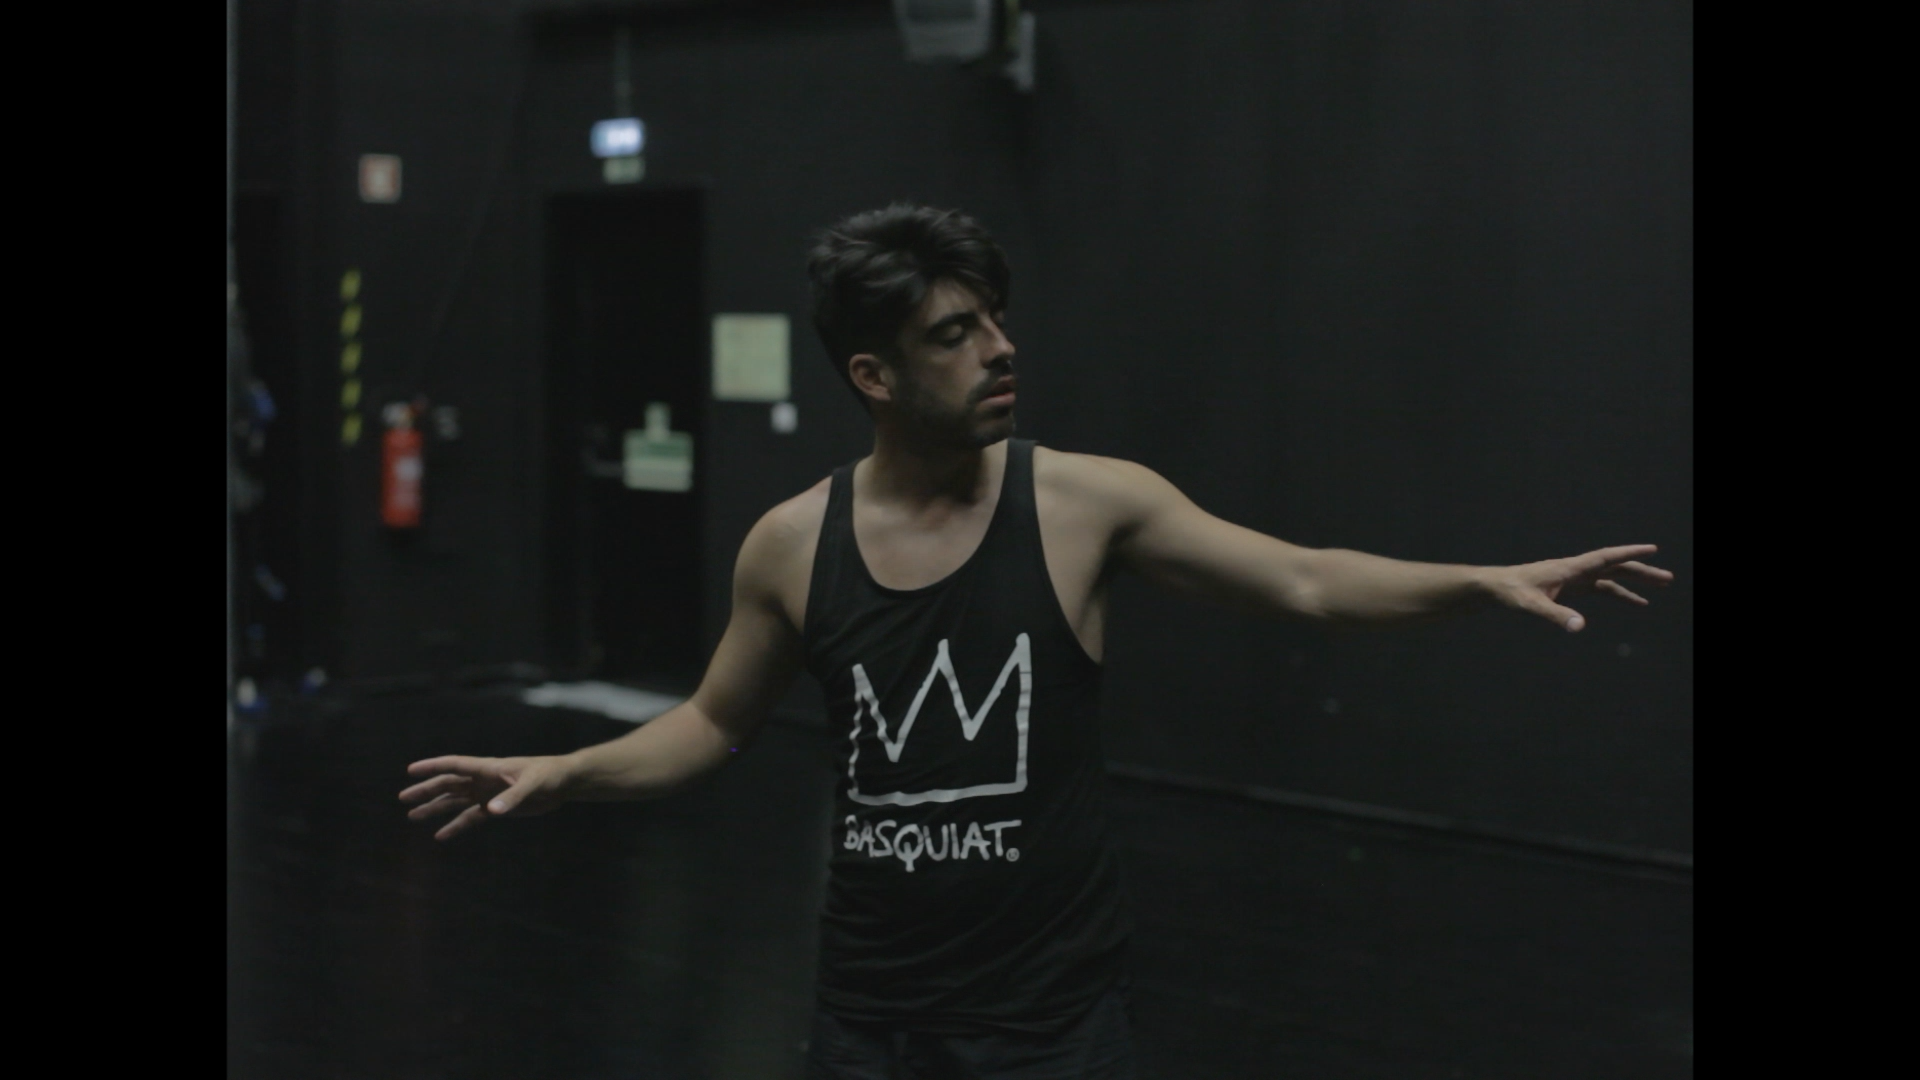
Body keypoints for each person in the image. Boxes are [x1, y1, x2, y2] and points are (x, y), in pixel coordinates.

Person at [400, 204, 1672, 1079]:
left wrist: (1482, 582)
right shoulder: (790, 544)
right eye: (954, 334)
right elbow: (712, 725)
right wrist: (565, 773)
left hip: (1050, 1023)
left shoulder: (1086, 504)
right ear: (873, 376)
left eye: (996, 319)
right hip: (871, 1014)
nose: (1000, 349)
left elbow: (1304, 579)